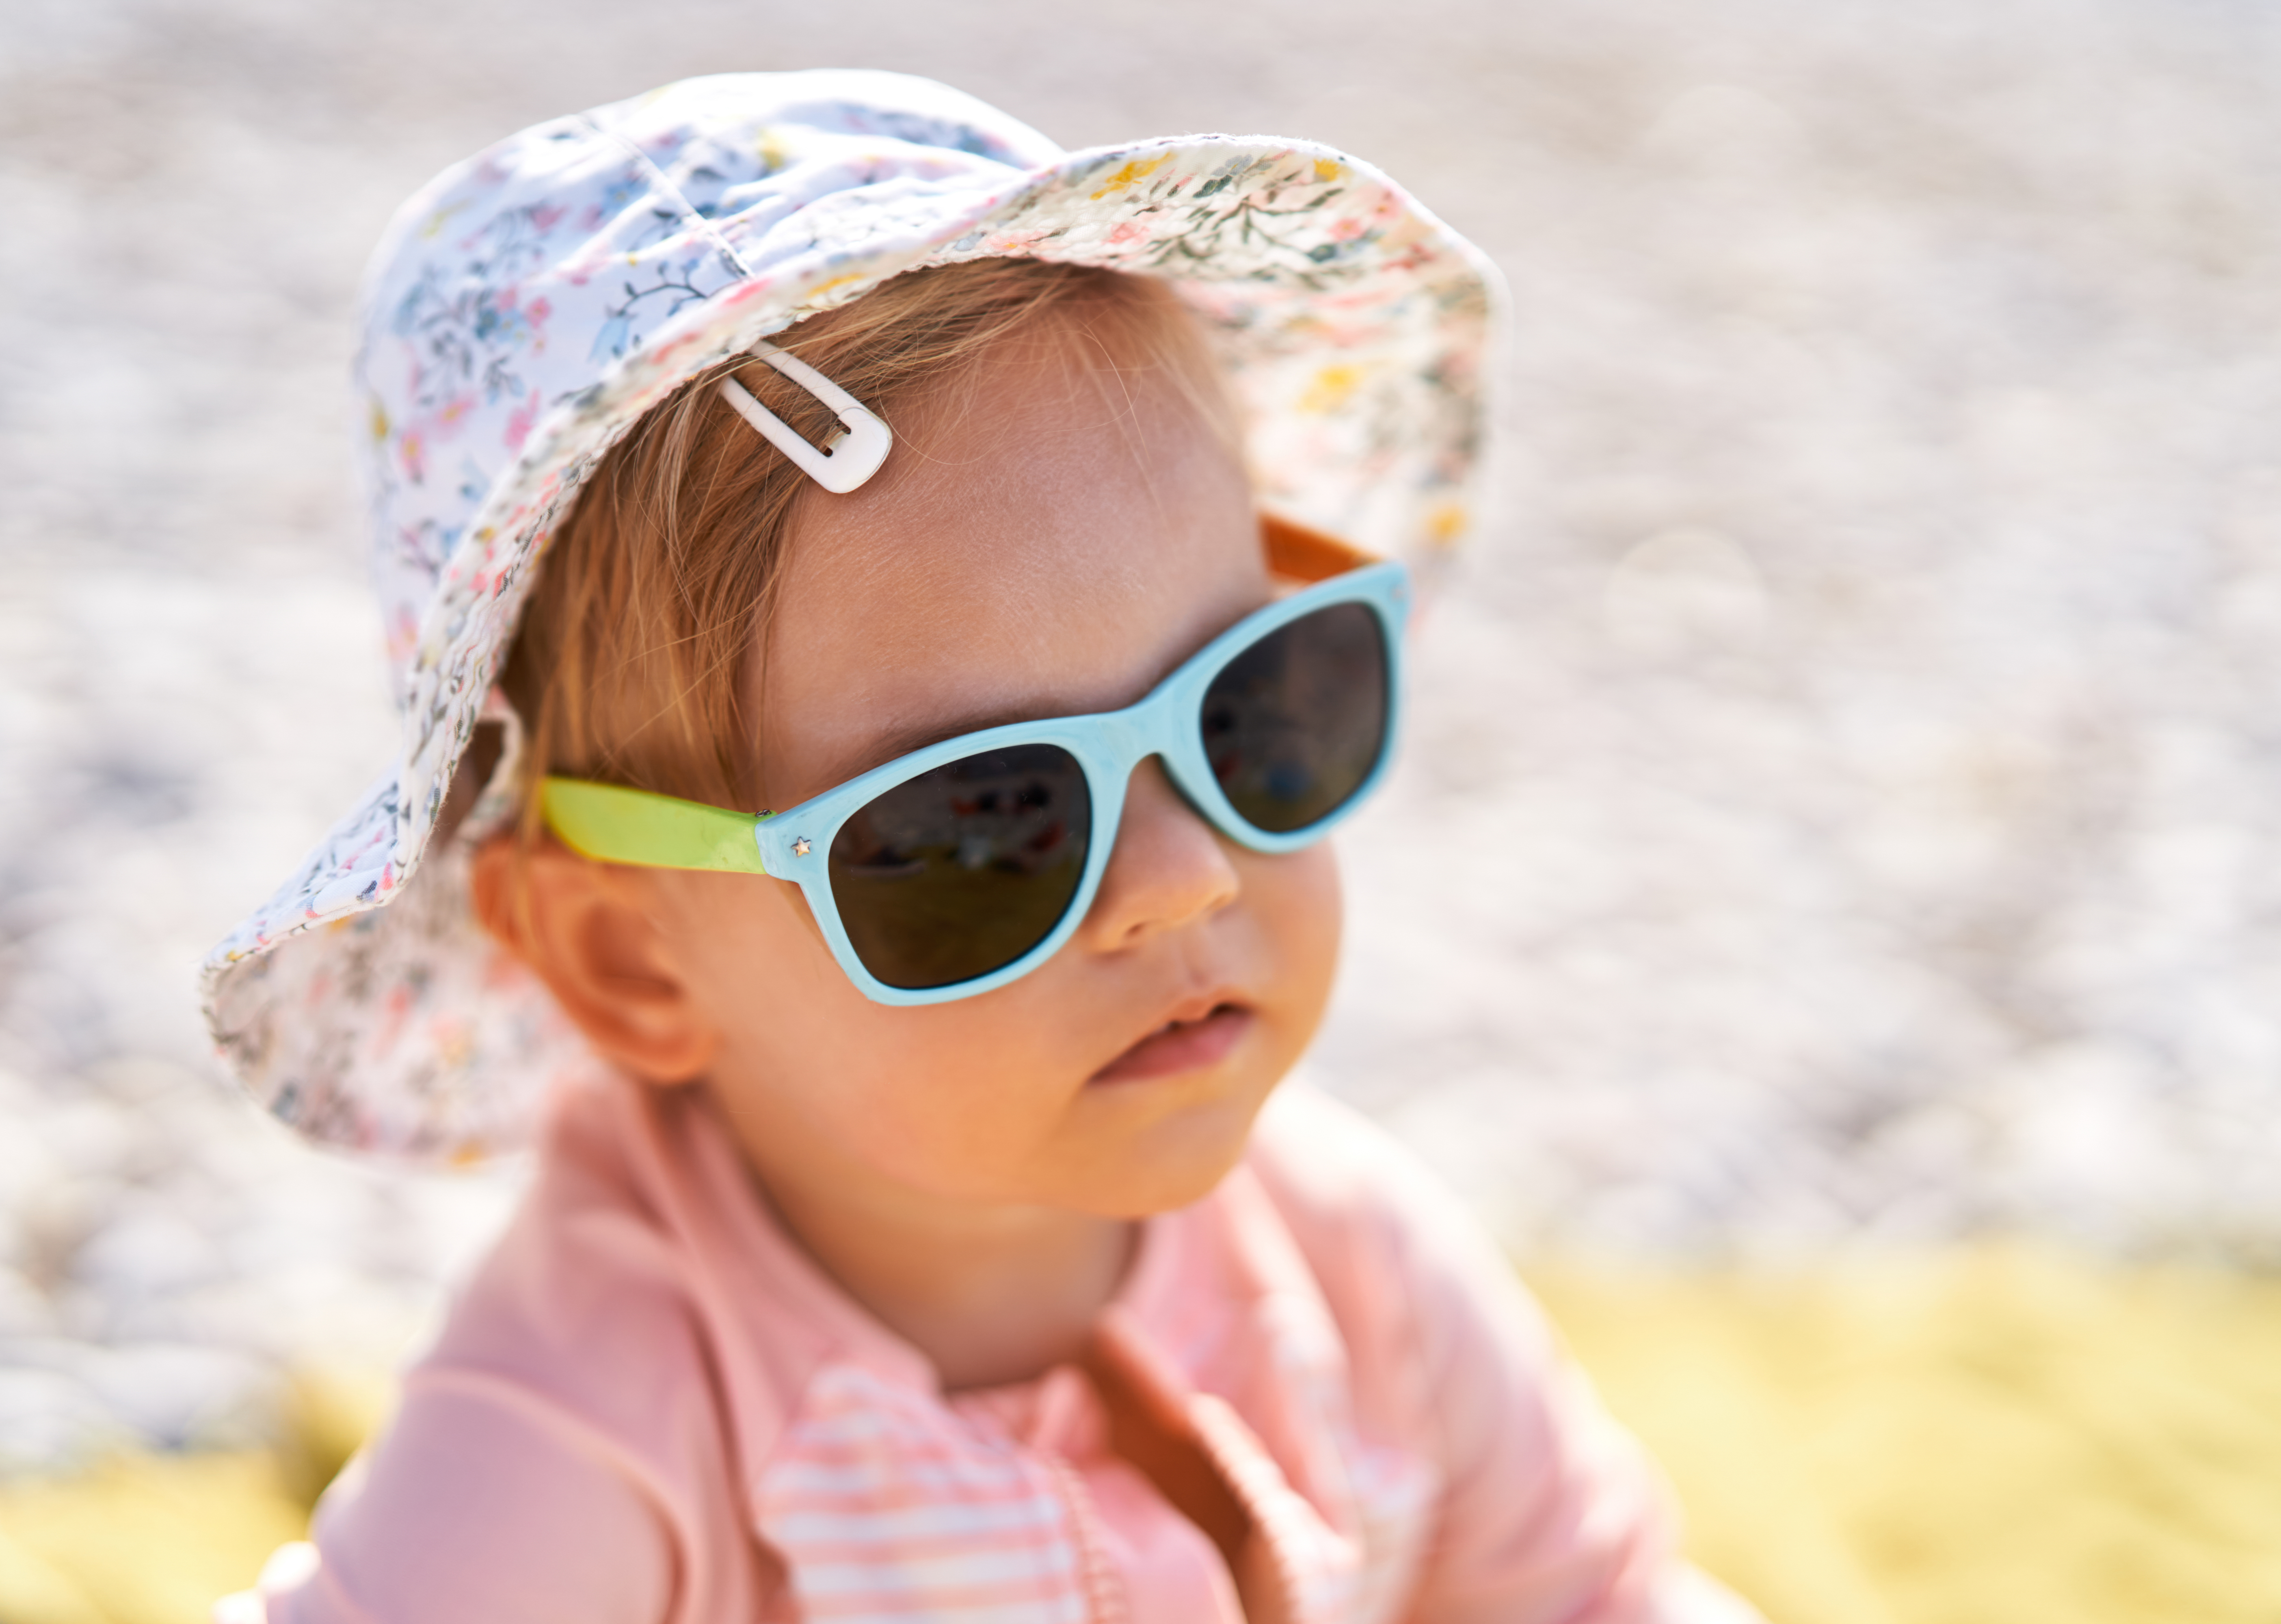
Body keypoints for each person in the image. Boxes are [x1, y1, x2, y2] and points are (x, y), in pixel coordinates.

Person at [206, 69, 1757, 1624]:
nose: (1186, 879)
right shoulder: (588, 1426)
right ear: (632, 955)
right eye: (981, 823)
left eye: (1251, 709)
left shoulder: (1347, 1264)